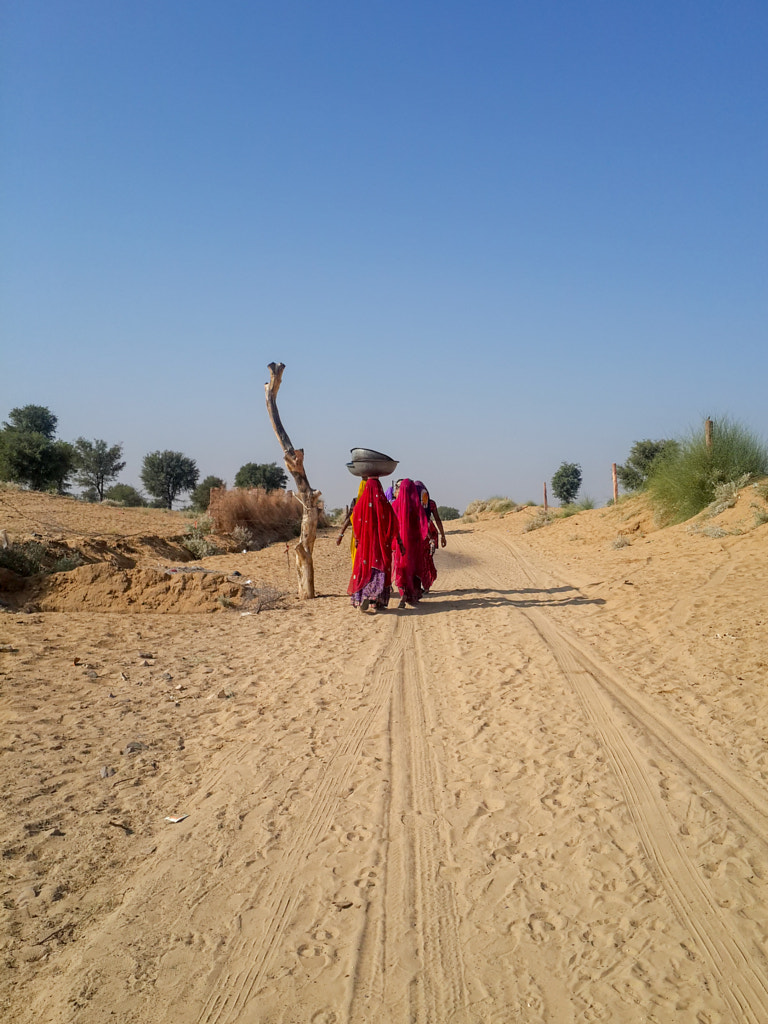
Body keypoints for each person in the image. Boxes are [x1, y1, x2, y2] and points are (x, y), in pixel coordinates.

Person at [347, 477, 404, 613]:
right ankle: (376, 600)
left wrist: (356, 538)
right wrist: (397, 540)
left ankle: (363, 597)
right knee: (379, 568)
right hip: (380, 546)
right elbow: (393, 523)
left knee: (364, 568)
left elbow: (355, 521)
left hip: (365, 546)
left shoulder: (360, 505)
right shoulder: (384, 504)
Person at [392, 478, 430, 608]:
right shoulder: (416, 505)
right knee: (413, 567)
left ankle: (403, 592)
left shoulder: (395, 505)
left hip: (401, 543)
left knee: (402, 566)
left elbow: (392, 525)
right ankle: (413, 595)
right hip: (414, 543)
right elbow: (423, 523)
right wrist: (426, 537)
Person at [415, 481, 446, 593]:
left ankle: (422, 585)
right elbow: (437, 519)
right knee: (427, 560)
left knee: (420, 560)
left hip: (420, 533)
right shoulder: (431, 503)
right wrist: (442, 535)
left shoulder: (413, 503)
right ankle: (426, 585)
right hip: (430, 532)